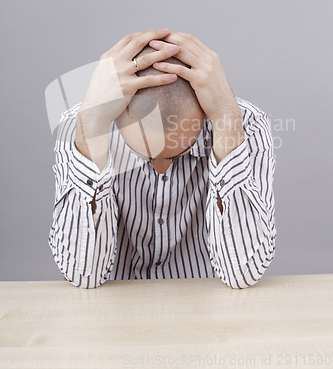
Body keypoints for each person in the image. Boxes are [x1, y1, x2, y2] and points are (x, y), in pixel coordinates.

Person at [48, 28, 276, 289]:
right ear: (118, 112)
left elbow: (243, 273)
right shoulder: (84, 124)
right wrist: (91, 125)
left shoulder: (245, 125)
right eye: (142, 154)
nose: (160, 168)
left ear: (204, 113)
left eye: (179, 152)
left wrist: (227, 122)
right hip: (114, 310)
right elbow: (82, 275)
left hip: (208, 307)